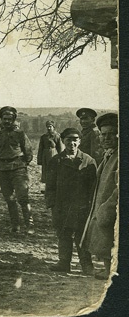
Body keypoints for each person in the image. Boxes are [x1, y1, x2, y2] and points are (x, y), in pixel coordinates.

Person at [46, 128, 97, 274]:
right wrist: (52, 205)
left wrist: (91, 206)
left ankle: (87, 265)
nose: (72, 143)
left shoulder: (88, 161)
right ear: (63, 141)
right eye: (68, 140)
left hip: (82, 206)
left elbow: (93, 186)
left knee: (82, 235)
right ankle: (64, 263)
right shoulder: (56, 161)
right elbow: (50, 186)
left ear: (80, 141)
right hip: (62, 206)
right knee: (63, 234)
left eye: (75, 140)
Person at [82, 113, 118, 280]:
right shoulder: (109, 155)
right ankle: (107, 268)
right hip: (104, 205)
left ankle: (112, 270)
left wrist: (107, 206)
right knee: (105, 237)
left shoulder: (120, 156)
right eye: (104, 134)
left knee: (114, 238)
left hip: (112, 206)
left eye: (112, 134)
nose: (107, 138)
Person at [0, 106, 34, 234]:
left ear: (13, 120)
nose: (7, 121)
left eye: (9, 119)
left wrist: (22, 164)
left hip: (18, 169)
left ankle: (29, 225)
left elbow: (28, 152)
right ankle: (15, 225)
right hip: (3, 169)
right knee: (9, 199)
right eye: (4, 119)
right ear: (1, 119)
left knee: (22, 198)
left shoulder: (20, 134)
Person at [37, 121, 63, 190]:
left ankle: (54, 187)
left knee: (53, 170)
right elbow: (40, 148)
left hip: (53, 154)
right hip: (45, 155)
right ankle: (47, 187)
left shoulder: (57, 136)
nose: (48, 128)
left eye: (50, 126)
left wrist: (61, 158)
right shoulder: (43, 137)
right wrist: (39, 159)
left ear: (53, 127)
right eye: (47, 126)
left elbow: (60, 148)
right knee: (46, 171)